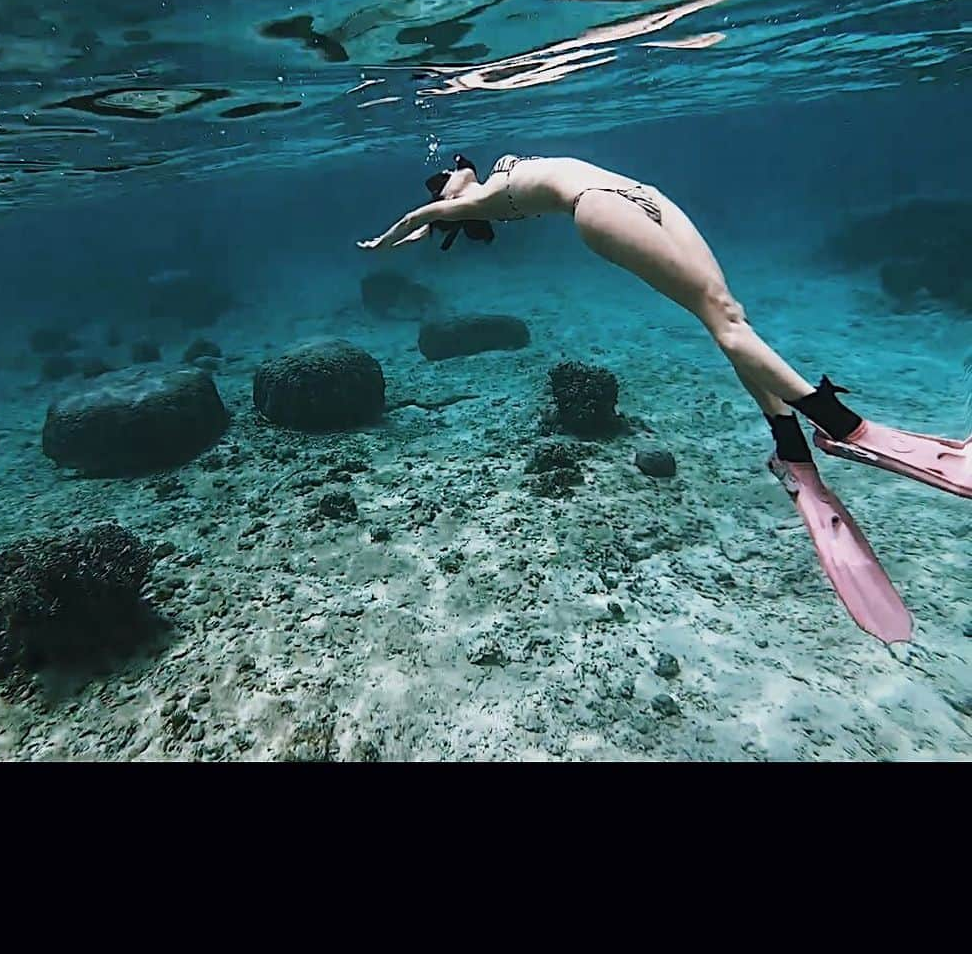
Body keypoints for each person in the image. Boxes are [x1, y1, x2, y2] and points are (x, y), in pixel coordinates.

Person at [358, 151, 972, 641]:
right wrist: (395, 236)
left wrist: (433, 218)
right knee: (724, 322)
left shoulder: (491, 179)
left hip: (643, 196)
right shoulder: (484, 195)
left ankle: (791, 450)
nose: (449, 170)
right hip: (598, 208)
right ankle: (842, 425)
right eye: (443, 183)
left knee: (733, 314)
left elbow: (436, 212)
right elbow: (424, 216)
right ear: (457, 202)